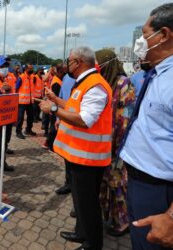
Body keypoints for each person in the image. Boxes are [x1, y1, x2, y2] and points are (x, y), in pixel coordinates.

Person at [40, 47, 112, 250]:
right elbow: (74, 108)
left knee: (87, 204)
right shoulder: (84, 83)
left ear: (78, 62)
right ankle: (82, 232)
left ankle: (92, 243)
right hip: (77, 155)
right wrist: (56, 101)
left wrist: (53, 109)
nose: (66, 64)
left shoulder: (95, 85)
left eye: (69, 61)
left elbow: (84, 119)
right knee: (80, 202)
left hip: (88, 158)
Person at [119, 3, 173, 249]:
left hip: (160, 192)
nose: (141, 41)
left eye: (144, 34)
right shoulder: (158, 74)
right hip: (141, 182)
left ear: (163, 35)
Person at [95, 49, 136, 237]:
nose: (96, 66)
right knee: (107, 183)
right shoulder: (106, 83)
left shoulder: (123, 84)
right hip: (105, 145)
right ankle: (108, 215)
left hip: (119, 146)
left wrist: (115, 145)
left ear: (108, 63)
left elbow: (124, 120)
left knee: (118, 184)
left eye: (99, 63)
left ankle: (122, 222)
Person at [54, 65, 75, 196]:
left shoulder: (86, 80)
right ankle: (68, 183)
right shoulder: (66, 78)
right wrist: (58, 118)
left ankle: (76, 191)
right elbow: (61, 96)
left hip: (78, 122)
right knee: (67, 155)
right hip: (65, 120)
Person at [43, 64, 63, 151]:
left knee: (53, 126)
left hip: (53, 106)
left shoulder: (57, 79)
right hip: (54, 107)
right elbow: (56, 97)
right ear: (59, 72)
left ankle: (49, 143)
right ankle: (50, 144)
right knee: (53, 127)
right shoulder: (57, 82)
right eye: (63, 72)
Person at [15, 64, 36, 139]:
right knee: (20, 118)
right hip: (21, 102)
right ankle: (18, 132)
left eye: (32, 68)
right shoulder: (21, 77)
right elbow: (16, 88)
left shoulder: (31, 77)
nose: (31, 69)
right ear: (26, 69)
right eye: (30, 68)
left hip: (29, 101)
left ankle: (28, 130)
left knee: (31, 117)